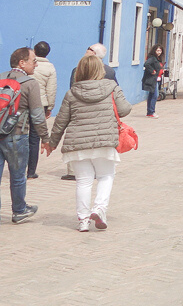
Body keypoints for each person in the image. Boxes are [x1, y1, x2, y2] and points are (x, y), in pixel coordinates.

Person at [45, 54, 132, 232]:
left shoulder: (72, 93)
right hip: (104, 141)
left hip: (78, 144)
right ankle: (99, 208)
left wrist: (51, 143)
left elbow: (61, 120)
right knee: (105, 176)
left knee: (83, 181)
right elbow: (124, 110)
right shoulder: (112, 87)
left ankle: (83, 220)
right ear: (100, 70)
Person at [1, 47, 49, 224]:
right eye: (33, 61)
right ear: (22, 63)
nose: (36, 64)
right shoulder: (30, 83)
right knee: (18, 175)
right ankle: (19, 210)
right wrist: (45, 138)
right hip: (16, 135)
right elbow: (37, 115)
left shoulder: (1, 77)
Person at [28, 41, 56, 180]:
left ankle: (18, 168)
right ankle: (31, 171)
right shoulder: (50, 67)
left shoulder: (28, 64)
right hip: (40, 104)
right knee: (34, 137)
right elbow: (51, 89)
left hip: (24, 103)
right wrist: (50, 107)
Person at [142, 45, 165, 118]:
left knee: (151, 95)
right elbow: (146, 64)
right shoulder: (152, 58)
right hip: (152, 80)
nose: (159, 52)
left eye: (160, 51)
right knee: (155, 95)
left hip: (157, 79)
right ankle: (151, 112)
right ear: (154, 50)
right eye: (157, 50)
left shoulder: (158, 59)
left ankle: (150, 112)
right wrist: (152, 71)